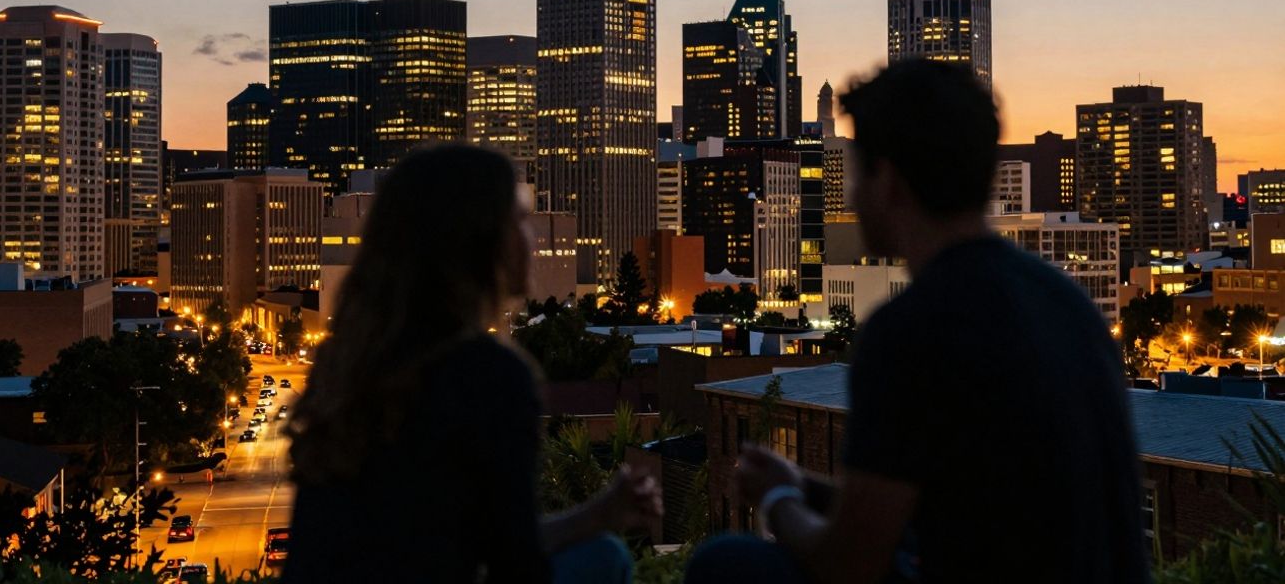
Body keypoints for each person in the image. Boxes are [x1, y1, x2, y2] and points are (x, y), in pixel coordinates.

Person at [686, 59, 1149, 583]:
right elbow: (948, 511)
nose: (854, 194)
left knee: (725, 564)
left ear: (889, 181)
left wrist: (778, 501)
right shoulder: (1068, 304)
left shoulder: (912, 330)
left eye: (859, 172)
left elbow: (849, 565)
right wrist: (805, 486)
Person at [283, 145, 661, 583]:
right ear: (480, 239)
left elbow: (468, 541)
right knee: (605, 559)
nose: (532, 235)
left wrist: (599, 512)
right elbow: (513, 560)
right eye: (519, 219)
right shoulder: (489, 376)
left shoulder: (348, 366)